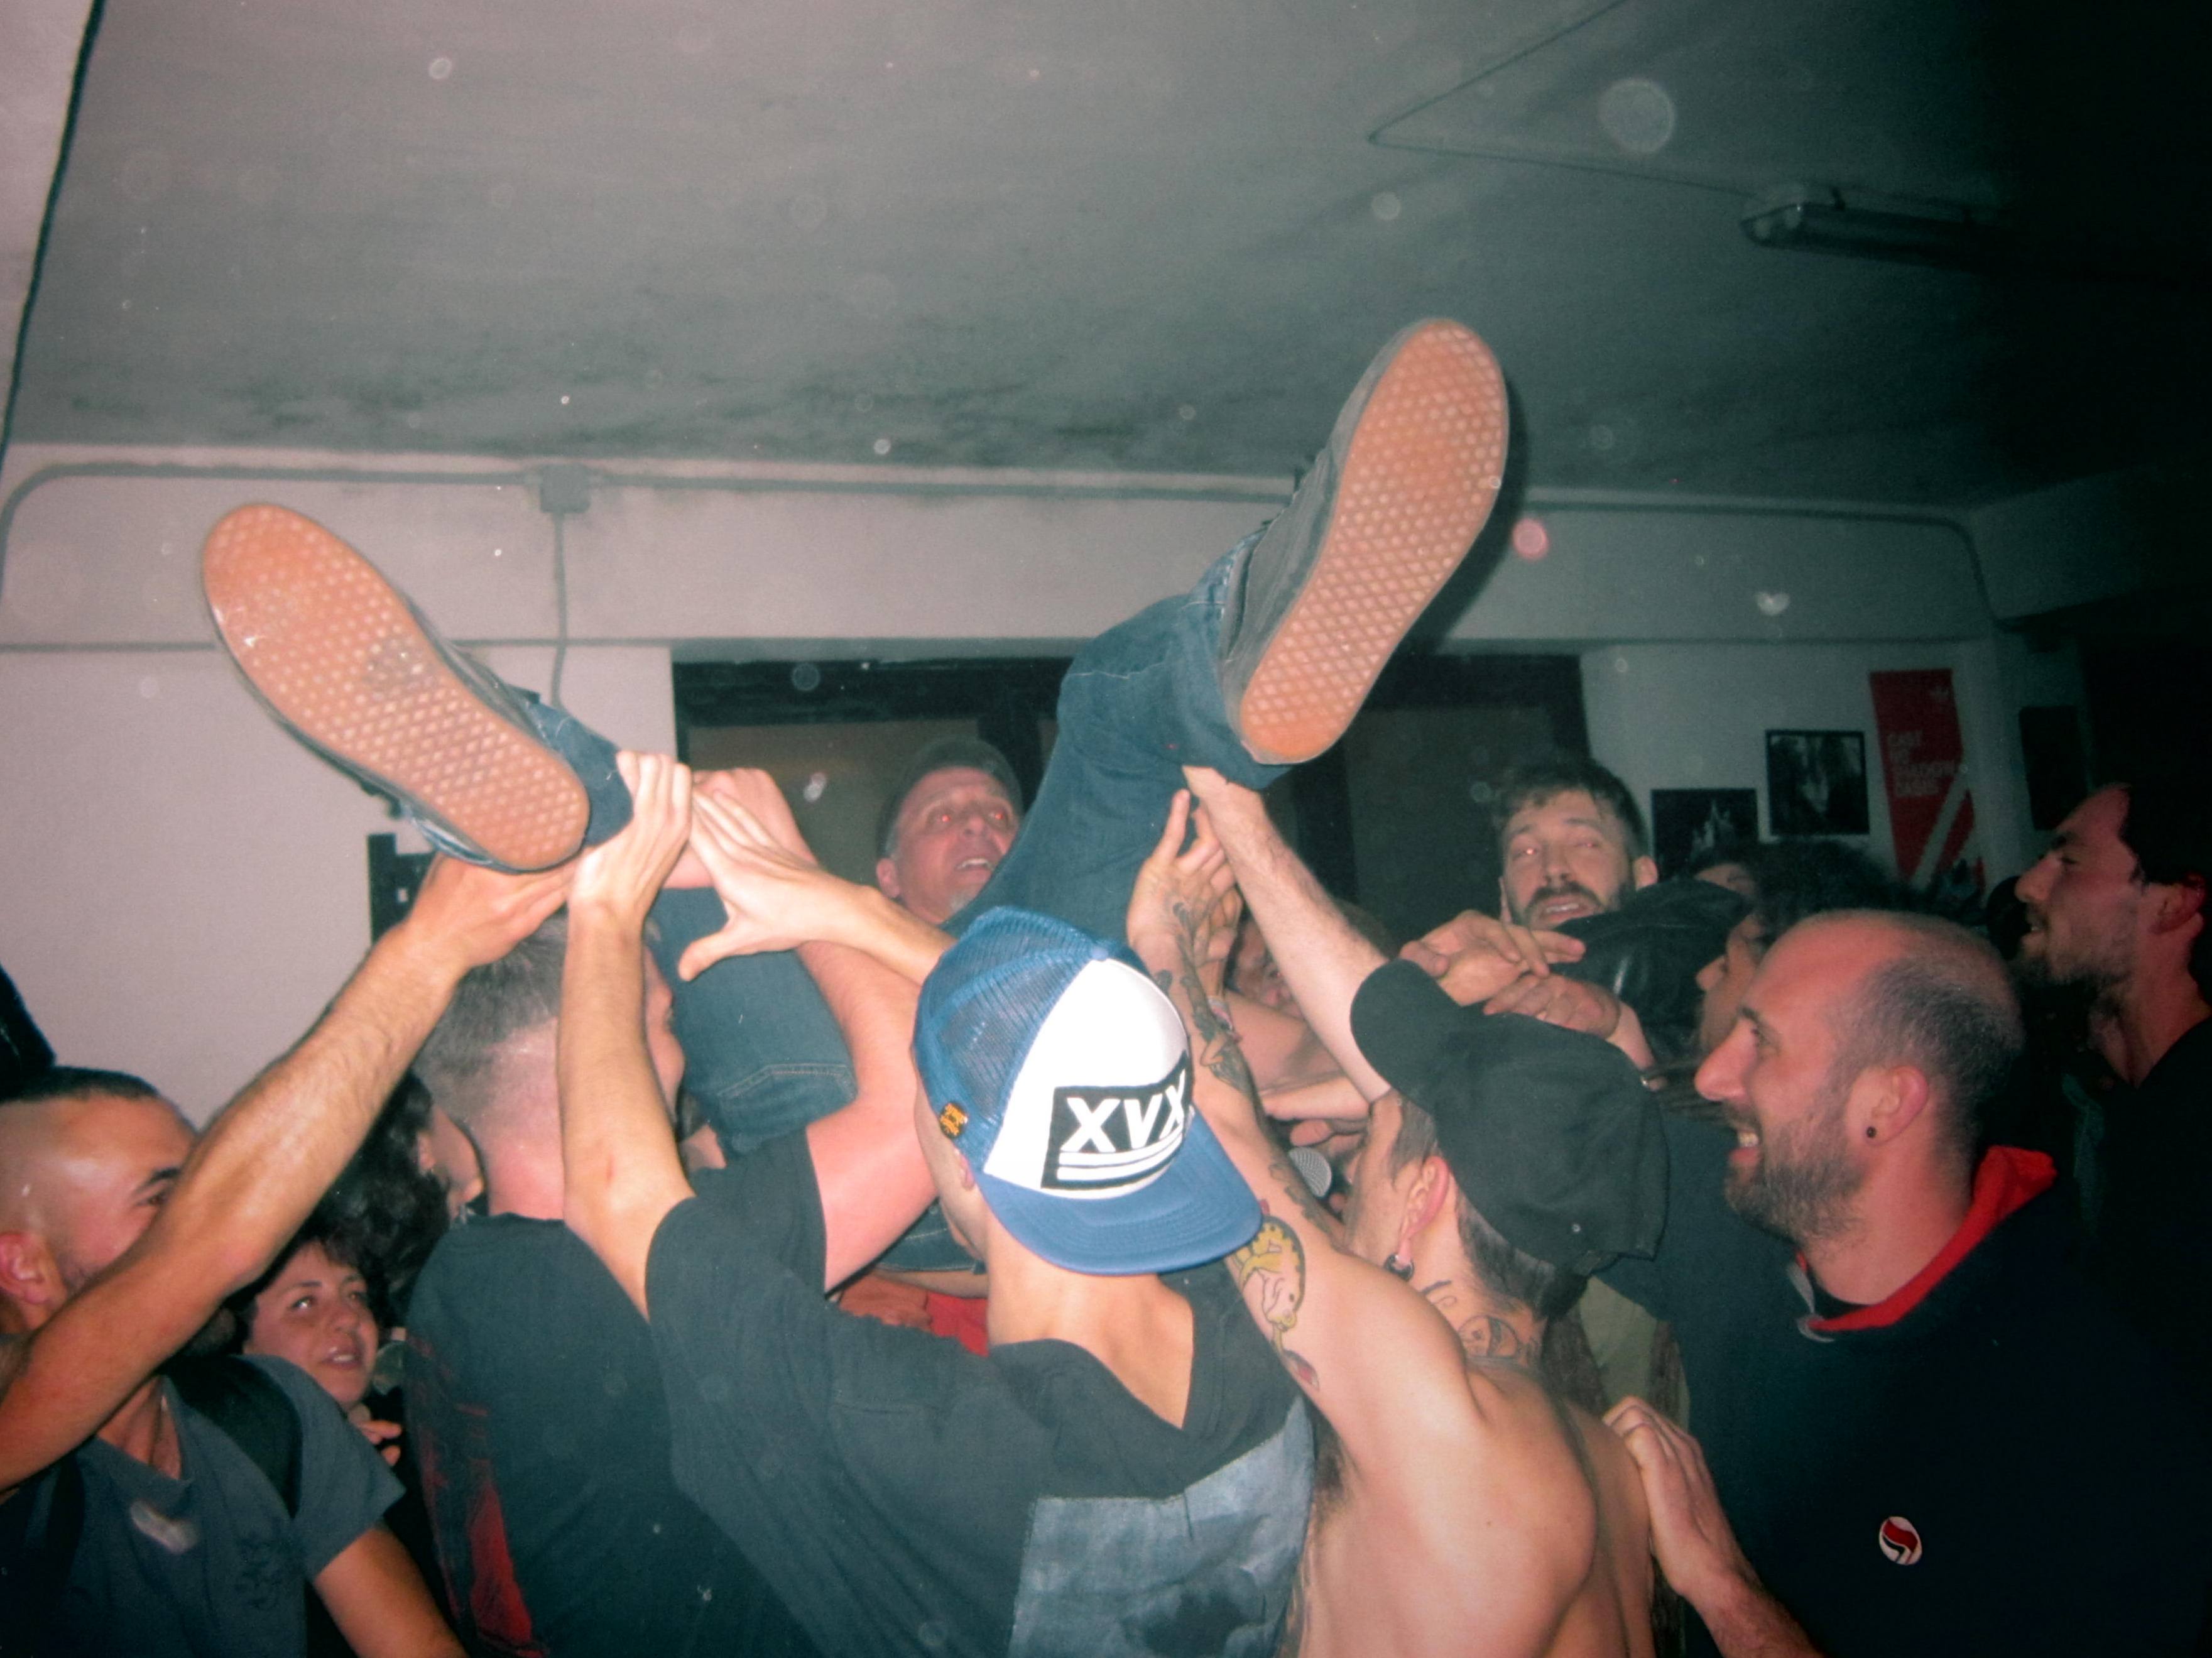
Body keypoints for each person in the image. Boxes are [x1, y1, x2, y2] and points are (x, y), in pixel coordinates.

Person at [558, 756, 1312, 1656]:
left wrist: (603, 903)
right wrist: (832, 899)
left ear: (957, 1155)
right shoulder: (1268, 1320)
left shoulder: (904, 1430)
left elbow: (619, 1204)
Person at [400, 766, 922, 1655]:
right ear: (612, 1038)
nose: (683, 1053)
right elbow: (919, 1114)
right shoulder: (655, 1264)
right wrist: (795, 871)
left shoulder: (461, 1273)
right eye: (669, 1019)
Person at [1593, 909, 2210, 1655]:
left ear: (1884, 1104)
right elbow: (1518, 1124)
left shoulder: (2087, 1421)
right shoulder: (1749, 1224)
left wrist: (1722, 1585)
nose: (1712, 1074)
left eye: (1763, 1041)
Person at [1133, 784, 1659, 1657]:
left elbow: (1216, 1130)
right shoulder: (1602, 1454)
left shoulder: (1435, 1402)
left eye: (1375, 1131)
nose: (1351, 1162)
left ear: (1426, 1191)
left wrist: (1166, 939)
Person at [0, 854, 563, 1657]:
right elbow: (218, 1239)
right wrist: (428, 947)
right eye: (165, 1198)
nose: (210, 1209)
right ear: (23, 1267)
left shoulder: (269, 1414)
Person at [2012, 775, 2211, 1399]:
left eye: (2067, 860)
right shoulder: (2135, 1108)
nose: (2027, 884)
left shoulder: (2195, 1132)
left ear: (2173, 901)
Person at [874, 736, 1025, 926]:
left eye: (998, 815)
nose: (977, 822)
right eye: (942, 817)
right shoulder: (845, 954)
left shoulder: (1068, 947)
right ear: (891, 877)